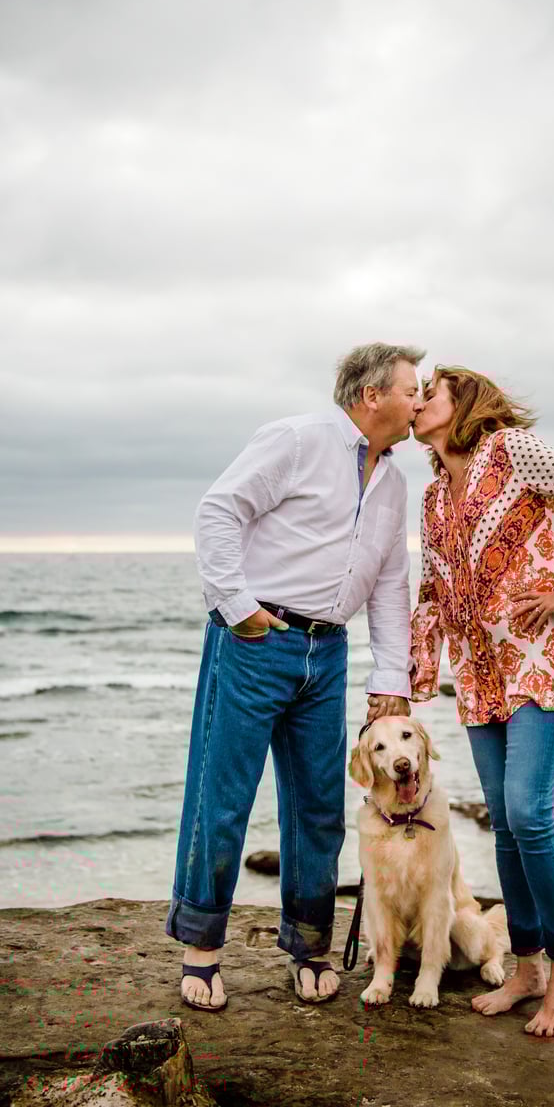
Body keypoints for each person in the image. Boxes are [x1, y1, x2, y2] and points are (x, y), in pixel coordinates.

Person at [166, 342, 425, 1011]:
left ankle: (309, 946)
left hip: (329, 652)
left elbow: (390, 582)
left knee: (318, 806)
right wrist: (237, 606)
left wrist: (390, 678)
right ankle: (202, 951)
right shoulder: (298, 439)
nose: (420, 401)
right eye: (412, 389)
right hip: (257, 641)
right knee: (222, 798)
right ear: (372, 395)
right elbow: (219, 510)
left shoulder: (395, 481)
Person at [409, 366, 554, 1038]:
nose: (417, 402)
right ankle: (528, 968)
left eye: (430, 392)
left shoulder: (511, 450)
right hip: (480, 674)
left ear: (464, 403)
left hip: (546, 661)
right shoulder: (432, 496)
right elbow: (433, 590)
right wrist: (412, 675)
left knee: (528, 813)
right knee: (505, 825)